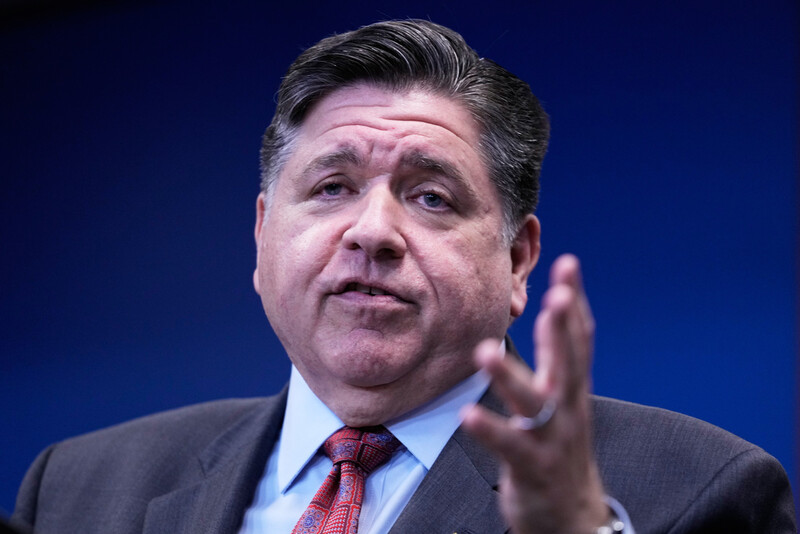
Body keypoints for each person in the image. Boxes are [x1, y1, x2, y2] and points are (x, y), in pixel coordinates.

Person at [12, 19, 795, 534]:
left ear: (517, 259)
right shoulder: (76, 491)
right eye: (331, 188)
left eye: (430, 196)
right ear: (260, 236)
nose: (373, 231)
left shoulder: (706, 490)